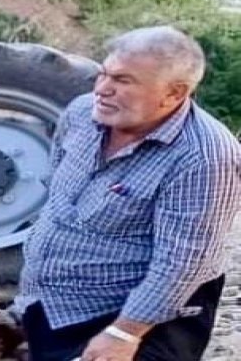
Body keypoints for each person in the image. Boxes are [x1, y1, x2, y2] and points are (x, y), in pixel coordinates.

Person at [15, 26, 241, 361]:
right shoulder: (81, 113)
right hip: (55, 308)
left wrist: (125, 332)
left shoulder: (205, 156)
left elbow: (184, 262)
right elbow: (57, 199)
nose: (103, 89)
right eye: (104, 74)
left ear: (174, 94)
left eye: (123, 81)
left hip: (137, 320)